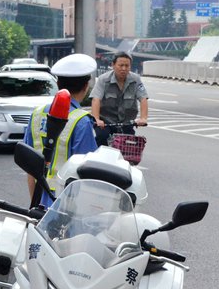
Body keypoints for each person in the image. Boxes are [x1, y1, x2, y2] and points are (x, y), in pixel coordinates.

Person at [24, 54, 98, 208]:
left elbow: (30, 168)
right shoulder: (82, 121)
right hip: (68, 206)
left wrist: (34, 205)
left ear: (57, 84)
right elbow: (86, 174)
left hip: (39, 202)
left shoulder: (38, 114)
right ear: (86, 87)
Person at [90, 52, 149, 147]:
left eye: (127, 66)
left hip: (126, 123)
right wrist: (97, 119)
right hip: (106, 122)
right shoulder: (103, 79)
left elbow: (143, 98)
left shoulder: (135, 79)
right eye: (121, 65)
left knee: (130, 148)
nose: (124, 69)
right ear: (113, 65)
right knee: (102, 138)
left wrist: (143, 118)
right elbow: (96, 99)